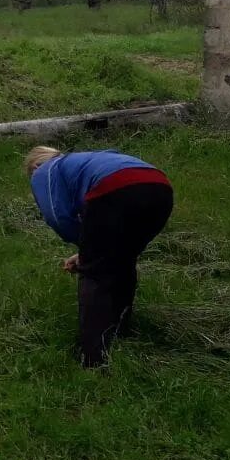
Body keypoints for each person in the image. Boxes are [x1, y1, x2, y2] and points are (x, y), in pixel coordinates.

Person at [25, 146, 174, 367]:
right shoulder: (91, 159)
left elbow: (58, 216)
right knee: (122, 259)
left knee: (95, 274)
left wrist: (88, 253)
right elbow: (105, 241)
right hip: (160, 188)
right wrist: (90, 250)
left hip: (115, 189)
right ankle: (121, 330)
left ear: (35, 166)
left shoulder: (44, 170)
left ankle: (93, 357)